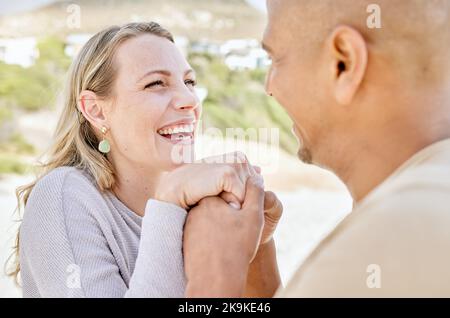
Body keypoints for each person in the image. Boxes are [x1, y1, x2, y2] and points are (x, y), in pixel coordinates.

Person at [183, 0, 450, 297]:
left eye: (276, 60)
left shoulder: (390, 237)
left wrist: (214, 277)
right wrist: (254, 258)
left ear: (343, 63)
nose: (269, 87)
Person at [8, 22, 282, 297]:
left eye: (189, 82)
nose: (190, 100)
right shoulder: (64, 195)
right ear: (96, 111)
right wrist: (169, 203)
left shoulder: (200, 212)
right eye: (156, 84)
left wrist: (257, 246)